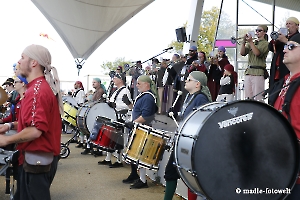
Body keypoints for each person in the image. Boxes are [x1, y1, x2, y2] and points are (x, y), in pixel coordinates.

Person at [0, 44, 63, 200]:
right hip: (36, 159)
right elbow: (34, 122)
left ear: (34, 62)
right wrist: (9, 125)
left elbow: (35, 130)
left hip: (37, 160)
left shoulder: (37, 91)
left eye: (22, 57)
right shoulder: (36, 88)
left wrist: (6, 139)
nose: (19, 61)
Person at [164, 71, 212, 200]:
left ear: (197, 84)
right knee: (177, 174)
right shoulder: (190, 96)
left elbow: (201, 121)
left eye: (189, 80)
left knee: (184, 175)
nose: (185, 81)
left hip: (190, 143)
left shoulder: (201, 98)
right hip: (184, 140)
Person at [269, 34, 300, 200]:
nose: (285, 49)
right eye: (285, 46)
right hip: (279, 165)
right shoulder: (283, 82)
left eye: (292, 46)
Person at [121, 75, 158, 189]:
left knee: (140, 155)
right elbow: (136, 110)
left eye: (139, 84)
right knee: (135, 153)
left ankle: (142, 180)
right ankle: (134, 175)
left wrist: (134, 123)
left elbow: (146, 115)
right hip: (138, 127)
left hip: (142, 128)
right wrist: (129, 104)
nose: (136, 86)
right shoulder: (143, 96)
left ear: (146, 84)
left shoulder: (148, 97)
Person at [98, 72, 132, 168]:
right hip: (114, 116)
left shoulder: (125, 91)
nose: (113, 79)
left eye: (115, 78)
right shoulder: (117, 91)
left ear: (120, 80)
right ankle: (108, 158)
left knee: (118, 139)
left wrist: (115, 105)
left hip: (120, 118)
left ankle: (119, 160)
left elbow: (128, 106)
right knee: (110, 137)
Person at [268, 17, 299, 91]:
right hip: (276, 72)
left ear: (297, 26)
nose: (288, 26)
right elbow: (271, 48)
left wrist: (286, 41)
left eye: (290, 24)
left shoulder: (298, 37)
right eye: (287, 24)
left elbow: (295, 47)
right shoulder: (283, 37)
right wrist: (275, 38)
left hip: (287, 71)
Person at [240, 25, 269, 101]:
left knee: (258, 97)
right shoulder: (252, 42)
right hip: (249, 71)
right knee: (248, 97)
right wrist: (243, 42)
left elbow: (258, 53)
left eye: (260, 30)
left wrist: (250, 42)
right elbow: (242, 53)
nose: (257, 32)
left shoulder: (266, 44)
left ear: (265, 32)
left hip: (258, 72)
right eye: (256, 30)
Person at [81, 77, 106, 154]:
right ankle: (90, 147)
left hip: (97, 112)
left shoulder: (100, 91)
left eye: (94, 82)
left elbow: (95, 101)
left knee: (93, 129)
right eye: (92, 82)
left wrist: (89, 100)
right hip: (95, 111)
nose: (93, 83)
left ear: (99, 83)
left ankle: (94, 148)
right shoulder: (97, 91)